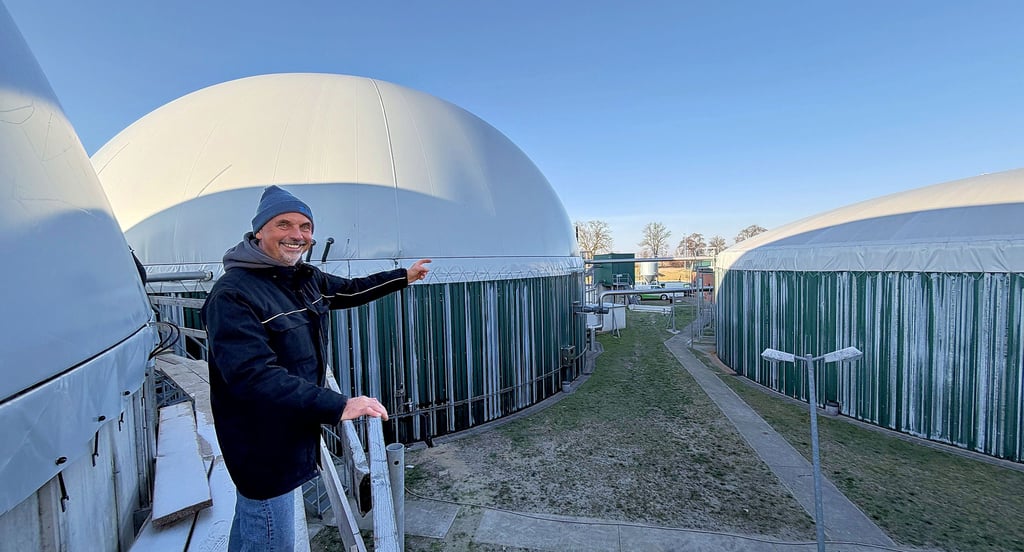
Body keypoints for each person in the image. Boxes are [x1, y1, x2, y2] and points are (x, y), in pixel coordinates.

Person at [200, 185, 430, 551]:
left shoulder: (305, 279)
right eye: (284, 225)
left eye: (305, 226)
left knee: (251, 519)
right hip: (262, 443)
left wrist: (404, 276)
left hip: (289, 430)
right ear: (259, 231)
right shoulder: (233, 294)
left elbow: (352, 289)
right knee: (271, 533)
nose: (297, 235)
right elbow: (253, 377)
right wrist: (338, 405)